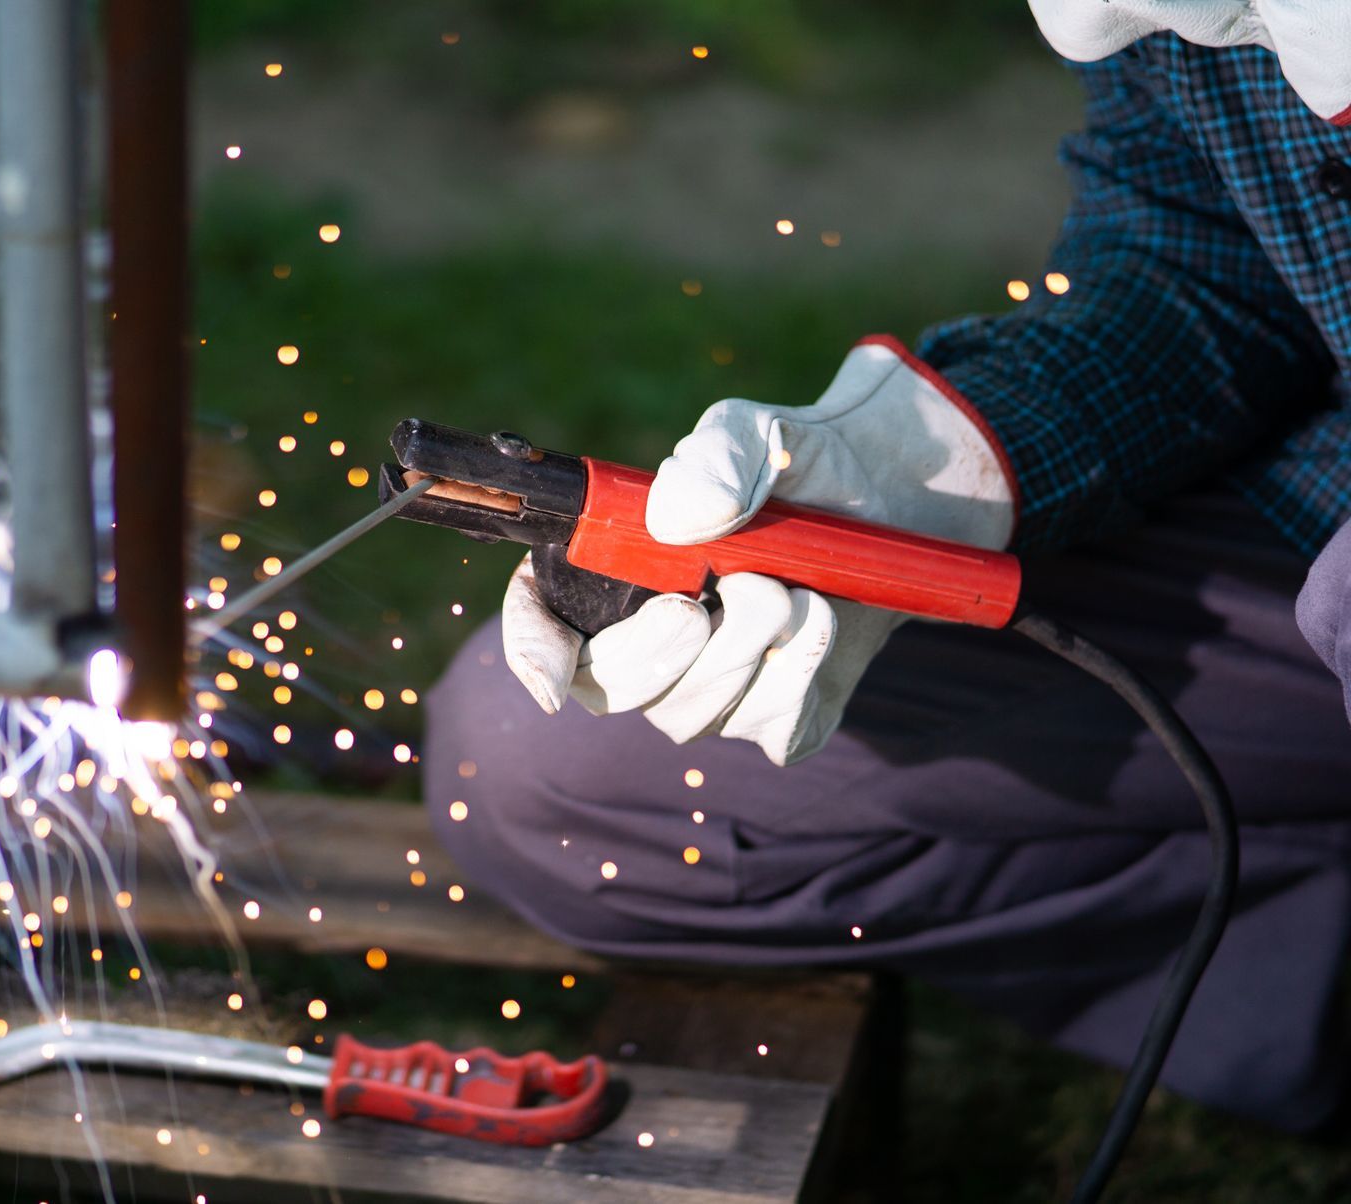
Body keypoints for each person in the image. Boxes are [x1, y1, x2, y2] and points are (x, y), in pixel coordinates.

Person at [426, 5, 1351, 1132]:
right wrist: (927, 465)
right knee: (546, 768)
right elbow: (1202, 249)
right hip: (1312, 501)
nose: (1105, 15)